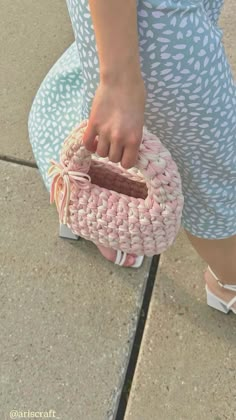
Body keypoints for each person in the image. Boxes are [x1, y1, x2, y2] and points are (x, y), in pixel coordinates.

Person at [28, 0, 236, 314]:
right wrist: (119, 80)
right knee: (212, 170)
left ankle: (88, 207)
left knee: (113, 125)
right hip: (157, 19)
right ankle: (229, 283)